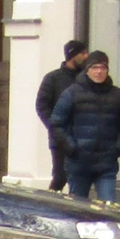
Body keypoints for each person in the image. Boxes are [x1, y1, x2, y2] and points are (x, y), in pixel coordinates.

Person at [50, 50, 120, 204]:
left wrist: (118, 148)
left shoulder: (117, 95)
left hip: (106, 163)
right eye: (95, 67)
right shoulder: (72, 93)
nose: (99, 71)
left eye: (103, 68)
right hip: (78, 163)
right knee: (78, 208)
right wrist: (71, 147)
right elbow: (57, 123)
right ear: (87, 70)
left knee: (108, 208)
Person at [35, 39, 89, 192]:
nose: (87, 56)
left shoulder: (86, 78)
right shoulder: (53, 78)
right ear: (72, 56)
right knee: (60, 176)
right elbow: (42, 105)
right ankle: (49, 205)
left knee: (78, 177)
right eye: (83, 53)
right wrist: (54, 127)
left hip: (82, 136)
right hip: (60, 138)